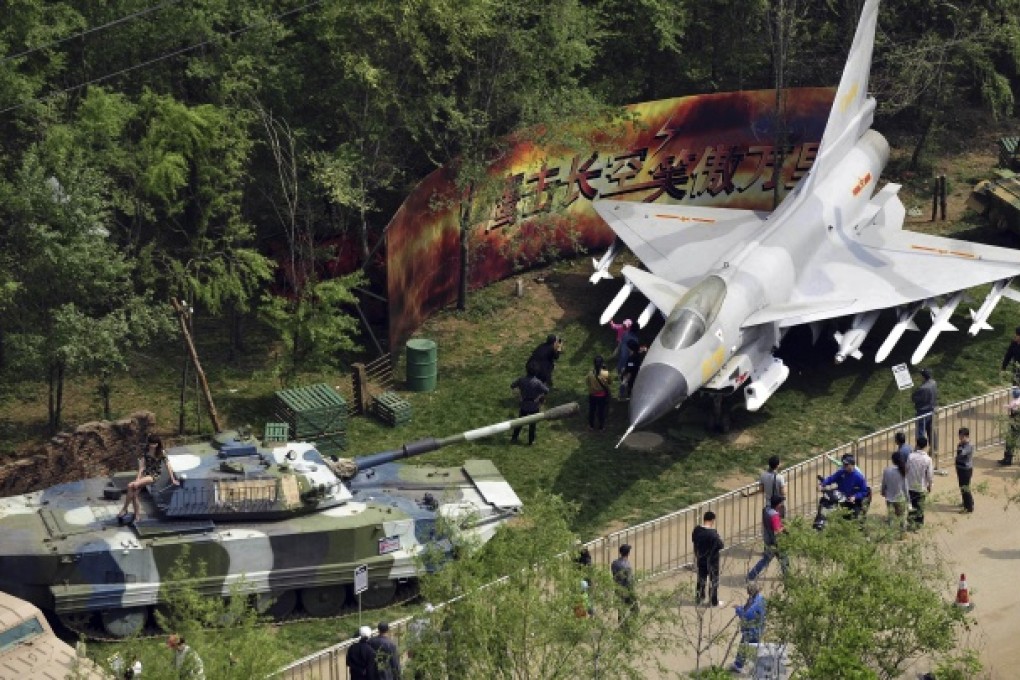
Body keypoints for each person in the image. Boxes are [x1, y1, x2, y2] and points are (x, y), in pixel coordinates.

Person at [118, 435, 178, 524]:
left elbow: (168, 466)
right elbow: (142, 466)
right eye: (151, 443)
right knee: (134, 493)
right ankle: (137, 515)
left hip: (154, 475)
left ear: (157, 444)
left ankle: (124, 509)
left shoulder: (161, 452)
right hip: (145, 474)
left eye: (154, 444)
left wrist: (172, 478)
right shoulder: (146, 451)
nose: (152, 445)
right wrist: (138, 478)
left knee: (131, 485)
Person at [729, 582, 766, 674]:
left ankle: (739, 665)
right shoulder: (758, 599)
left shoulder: (756, 603)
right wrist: (740, 607)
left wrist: (738, 610)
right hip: (756, 628)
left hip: (752, 630)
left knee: (746, 648)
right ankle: (740, 665)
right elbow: (747, 608)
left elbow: (747, 615)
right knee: (750, 648)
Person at [747, 496, 787, 581]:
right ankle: (787, 577)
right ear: (778, 505)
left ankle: (751, 576)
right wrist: (783, 528)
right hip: (776, 542)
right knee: (784, 559)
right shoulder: (775, 515)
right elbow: (777, 531)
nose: (781, 504)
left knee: (765, 560)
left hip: (768, 539)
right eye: (780, 503)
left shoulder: (766, 510)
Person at [818, 454, 871, 518]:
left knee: (856, 518)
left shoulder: (859, 477)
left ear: (852, 465)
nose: (844, 466)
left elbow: (864, 491)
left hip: (856, 501)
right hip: (844, 499)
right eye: (843, 464)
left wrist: (855, 497)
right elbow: (831, 478)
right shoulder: (841, 472)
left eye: (846, 465)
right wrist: (822, 484)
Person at [692, 510, 724, 607]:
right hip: (712, 561)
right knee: (713, 580)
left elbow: (694, 541)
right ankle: (713, 601)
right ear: (712, 520)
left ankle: (699, 598)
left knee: (701, 579)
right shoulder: (713, 534)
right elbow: (720, 545)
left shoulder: (697, 530)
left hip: (700, 558)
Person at [509, 369, 549, 445]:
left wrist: (518, 395)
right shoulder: (537, 382)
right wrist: (538, 397)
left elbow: (512, 386)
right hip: (534, 406)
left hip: (523, 404)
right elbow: (546, 391)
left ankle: (514, 437)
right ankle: (531, 441)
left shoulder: (521, 380)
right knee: (532, 425)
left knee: (519, 422)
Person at [906, 435, 934, 528]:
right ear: (926, 446)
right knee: (920, 506)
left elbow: (906, 469)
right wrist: (930, 485)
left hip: (910, 485)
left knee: (911, 505)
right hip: (921, 487)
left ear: (916, 445)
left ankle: (911, 522)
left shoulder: (910, 457)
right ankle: (919, 524)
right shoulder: (928, 459)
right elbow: (929, 474)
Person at [880, 451, 909, 531]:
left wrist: (882, 491)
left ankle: (890, 534)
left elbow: (884, 483)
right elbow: (905, 487)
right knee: (902, 518)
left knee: (891, 517)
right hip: (900, 498)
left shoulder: (887, 470)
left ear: (892, 460)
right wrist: (908, 498)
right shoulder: (902, 471)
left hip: (889, 498)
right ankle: (902, 534)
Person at [912, 368, 938, 452]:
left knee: (921, 431)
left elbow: (914, 398)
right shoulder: (934, 383)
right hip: (932, 410)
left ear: (923, 377)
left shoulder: (922, 388)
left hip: (922, 412)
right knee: (930, 429)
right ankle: (934, 447)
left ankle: (920, 448)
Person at [611, 543, 638, 623]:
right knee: (635, 609)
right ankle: (629, 625)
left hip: (618, 589)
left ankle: (621, 626)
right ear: (628, 553)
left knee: (621, 610)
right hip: (626, 590)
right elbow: (629, 581)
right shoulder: (627, 566)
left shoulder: (614, 563)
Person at [585, 355, 611, 431]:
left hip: (592, 395)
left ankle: (591, 426)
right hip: (602, 396)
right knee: (601, 411)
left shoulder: (590, 374)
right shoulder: (605, 373)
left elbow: (587, 382)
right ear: (602, 363)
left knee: (592, 411)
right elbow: (610, 382)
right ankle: (601, 427)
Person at [954, 426, 975, 514]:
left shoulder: (968, 446)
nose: (960, 438)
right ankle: (966, 502)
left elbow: (961, 453)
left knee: (965, 488)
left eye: (962, 436)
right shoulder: (961, 444)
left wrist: (960, 446)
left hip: (966, 470)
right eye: (960, 436)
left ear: (967, 436)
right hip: (960, 468)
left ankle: (968, 507)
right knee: (962, 487)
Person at [999, 386, 1020, 466]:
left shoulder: (1015, 402)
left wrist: (1005, 406)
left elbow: (1011, 407)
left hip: (1015, 424)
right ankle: (1008, 458)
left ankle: (1008, 459)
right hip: (1016, 423)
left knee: (1010, 441)